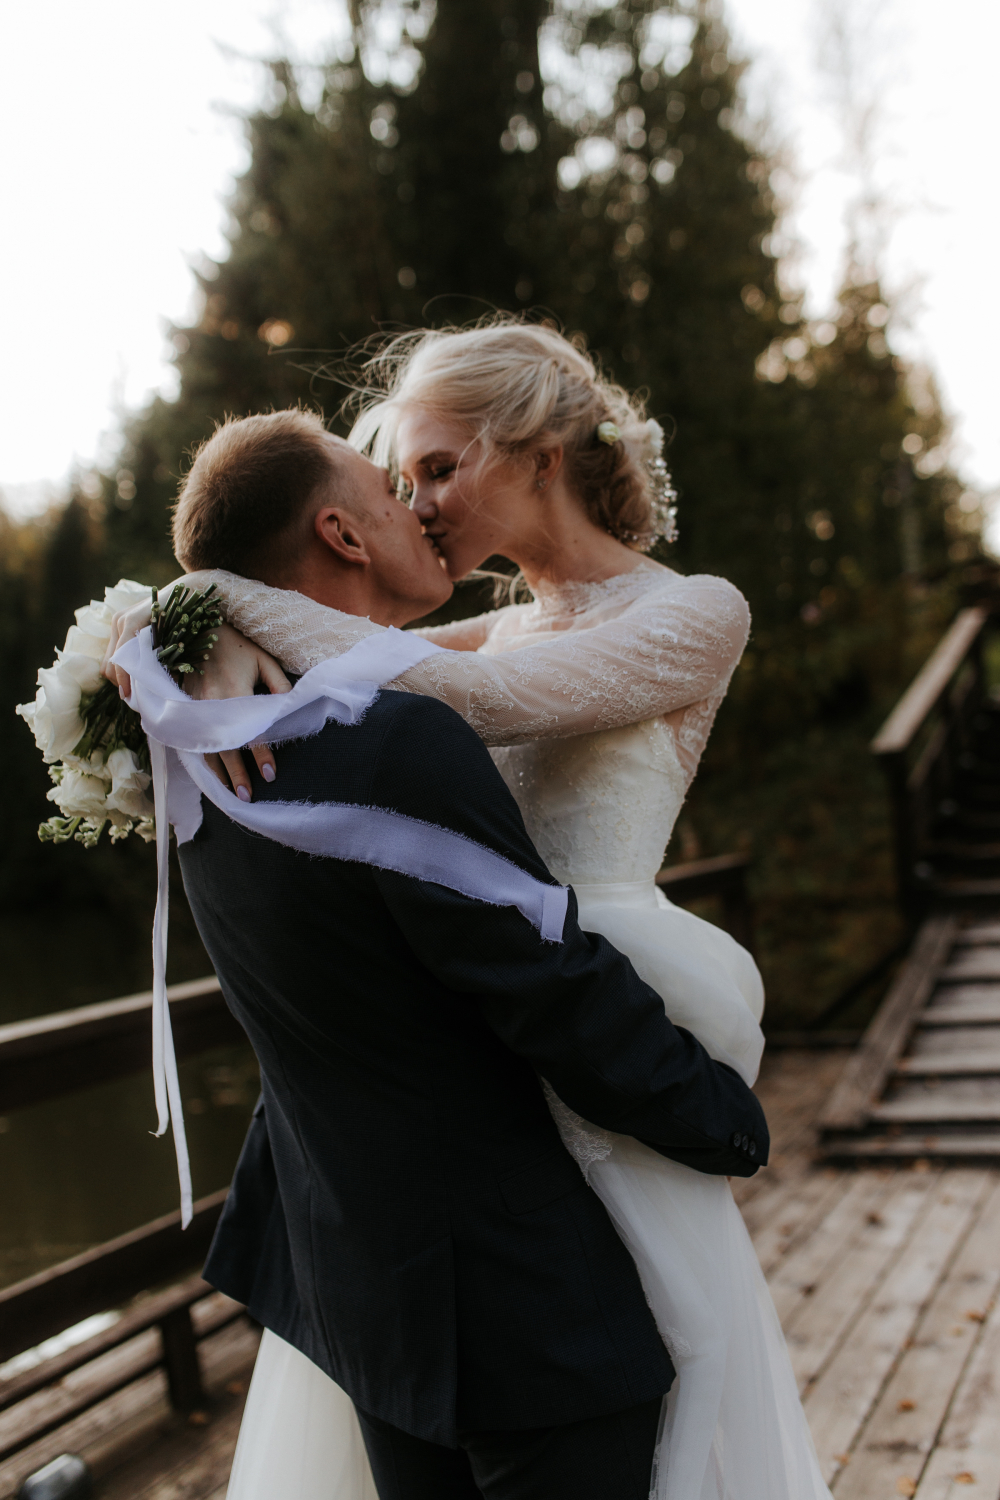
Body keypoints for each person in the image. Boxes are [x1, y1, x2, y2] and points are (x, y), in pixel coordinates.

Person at [107, 320, 831, 1499]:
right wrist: (187, 628)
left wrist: (210, 603)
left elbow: (457, 696)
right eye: (402, 481)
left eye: (440, 469)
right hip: (491, 1057)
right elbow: (374, 673)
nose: (421, 504)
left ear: (539, 454)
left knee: (670, 1383)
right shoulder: (498, 622)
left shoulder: (698, 611)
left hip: (601, 1010)